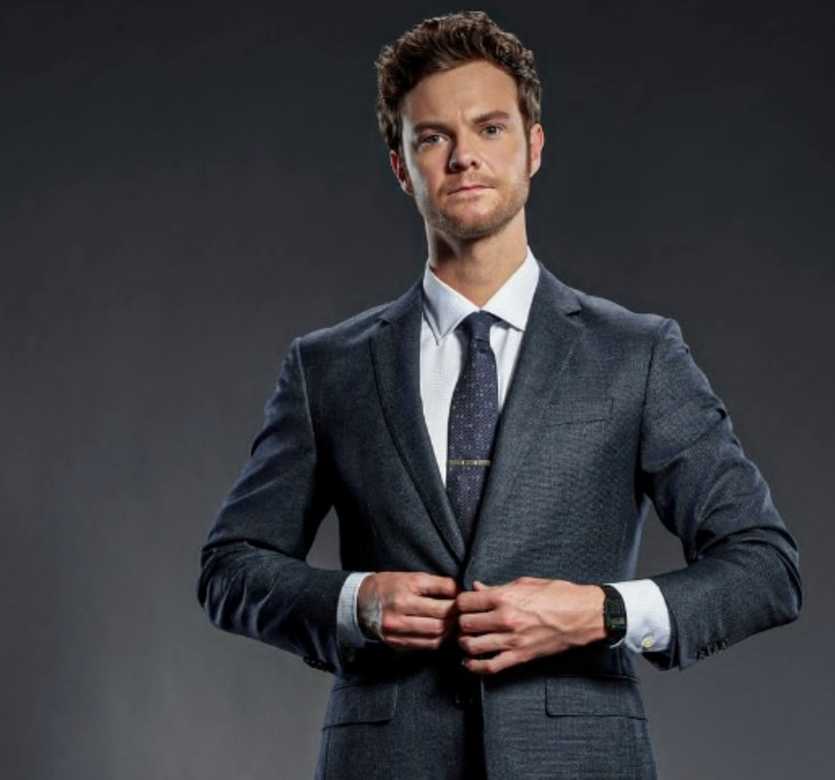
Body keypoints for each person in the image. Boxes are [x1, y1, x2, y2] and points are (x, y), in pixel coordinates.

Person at [196, 10, 802, 779]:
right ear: (400, 166)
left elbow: (765, 567)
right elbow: (229, 568)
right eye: (432, 138)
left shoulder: (637, 355)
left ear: (534, 147)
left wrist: (601, 612)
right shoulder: (329, 368)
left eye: (489, 129)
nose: (463, 159)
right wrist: (354, 601)